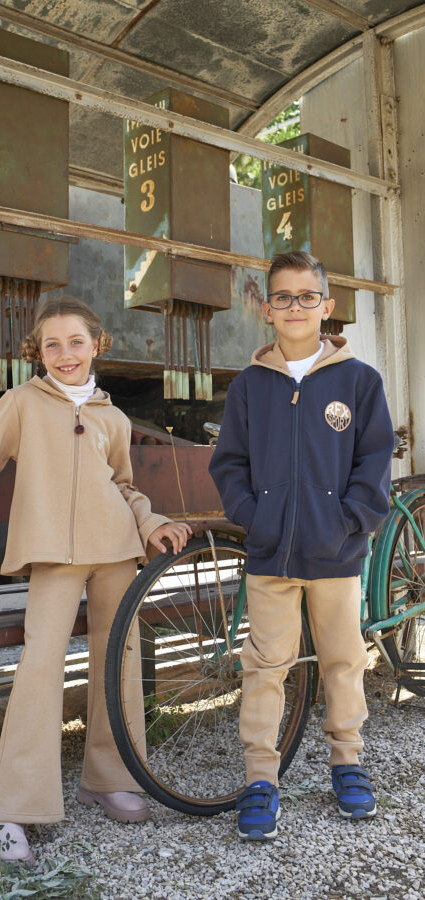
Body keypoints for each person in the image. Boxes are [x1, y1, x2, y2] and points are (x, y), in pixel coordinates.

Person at [0, 295, 191, 864]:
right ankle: (15, 807)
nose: (65, 353)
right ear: (38, 352)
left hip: (116, 552)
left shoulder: (113, 417)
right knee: (40, 667)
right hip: (53, 555)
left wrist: (152, 522)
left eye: (76, 342)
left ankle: (109, 779)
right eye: (52, 344)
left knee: (120, 659)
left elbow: (124, 487)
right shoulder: (22, 403)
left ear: (96, 345)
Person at [209, 251, 395, 840]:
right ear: (267, 309)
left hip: (337, 553)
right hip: (271, 554)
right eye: (283, 297)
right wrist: (254, 518)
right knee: (265, 665)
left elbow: (374, 461)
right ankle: (260, 778)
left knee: (343, 659)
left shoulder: (359, 381)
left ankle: (348, 762)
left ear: (326, 306)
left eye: (307, 296)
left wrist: (348, 522)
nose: (295, 306)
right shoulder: (249, 386)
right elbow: (229, 463)